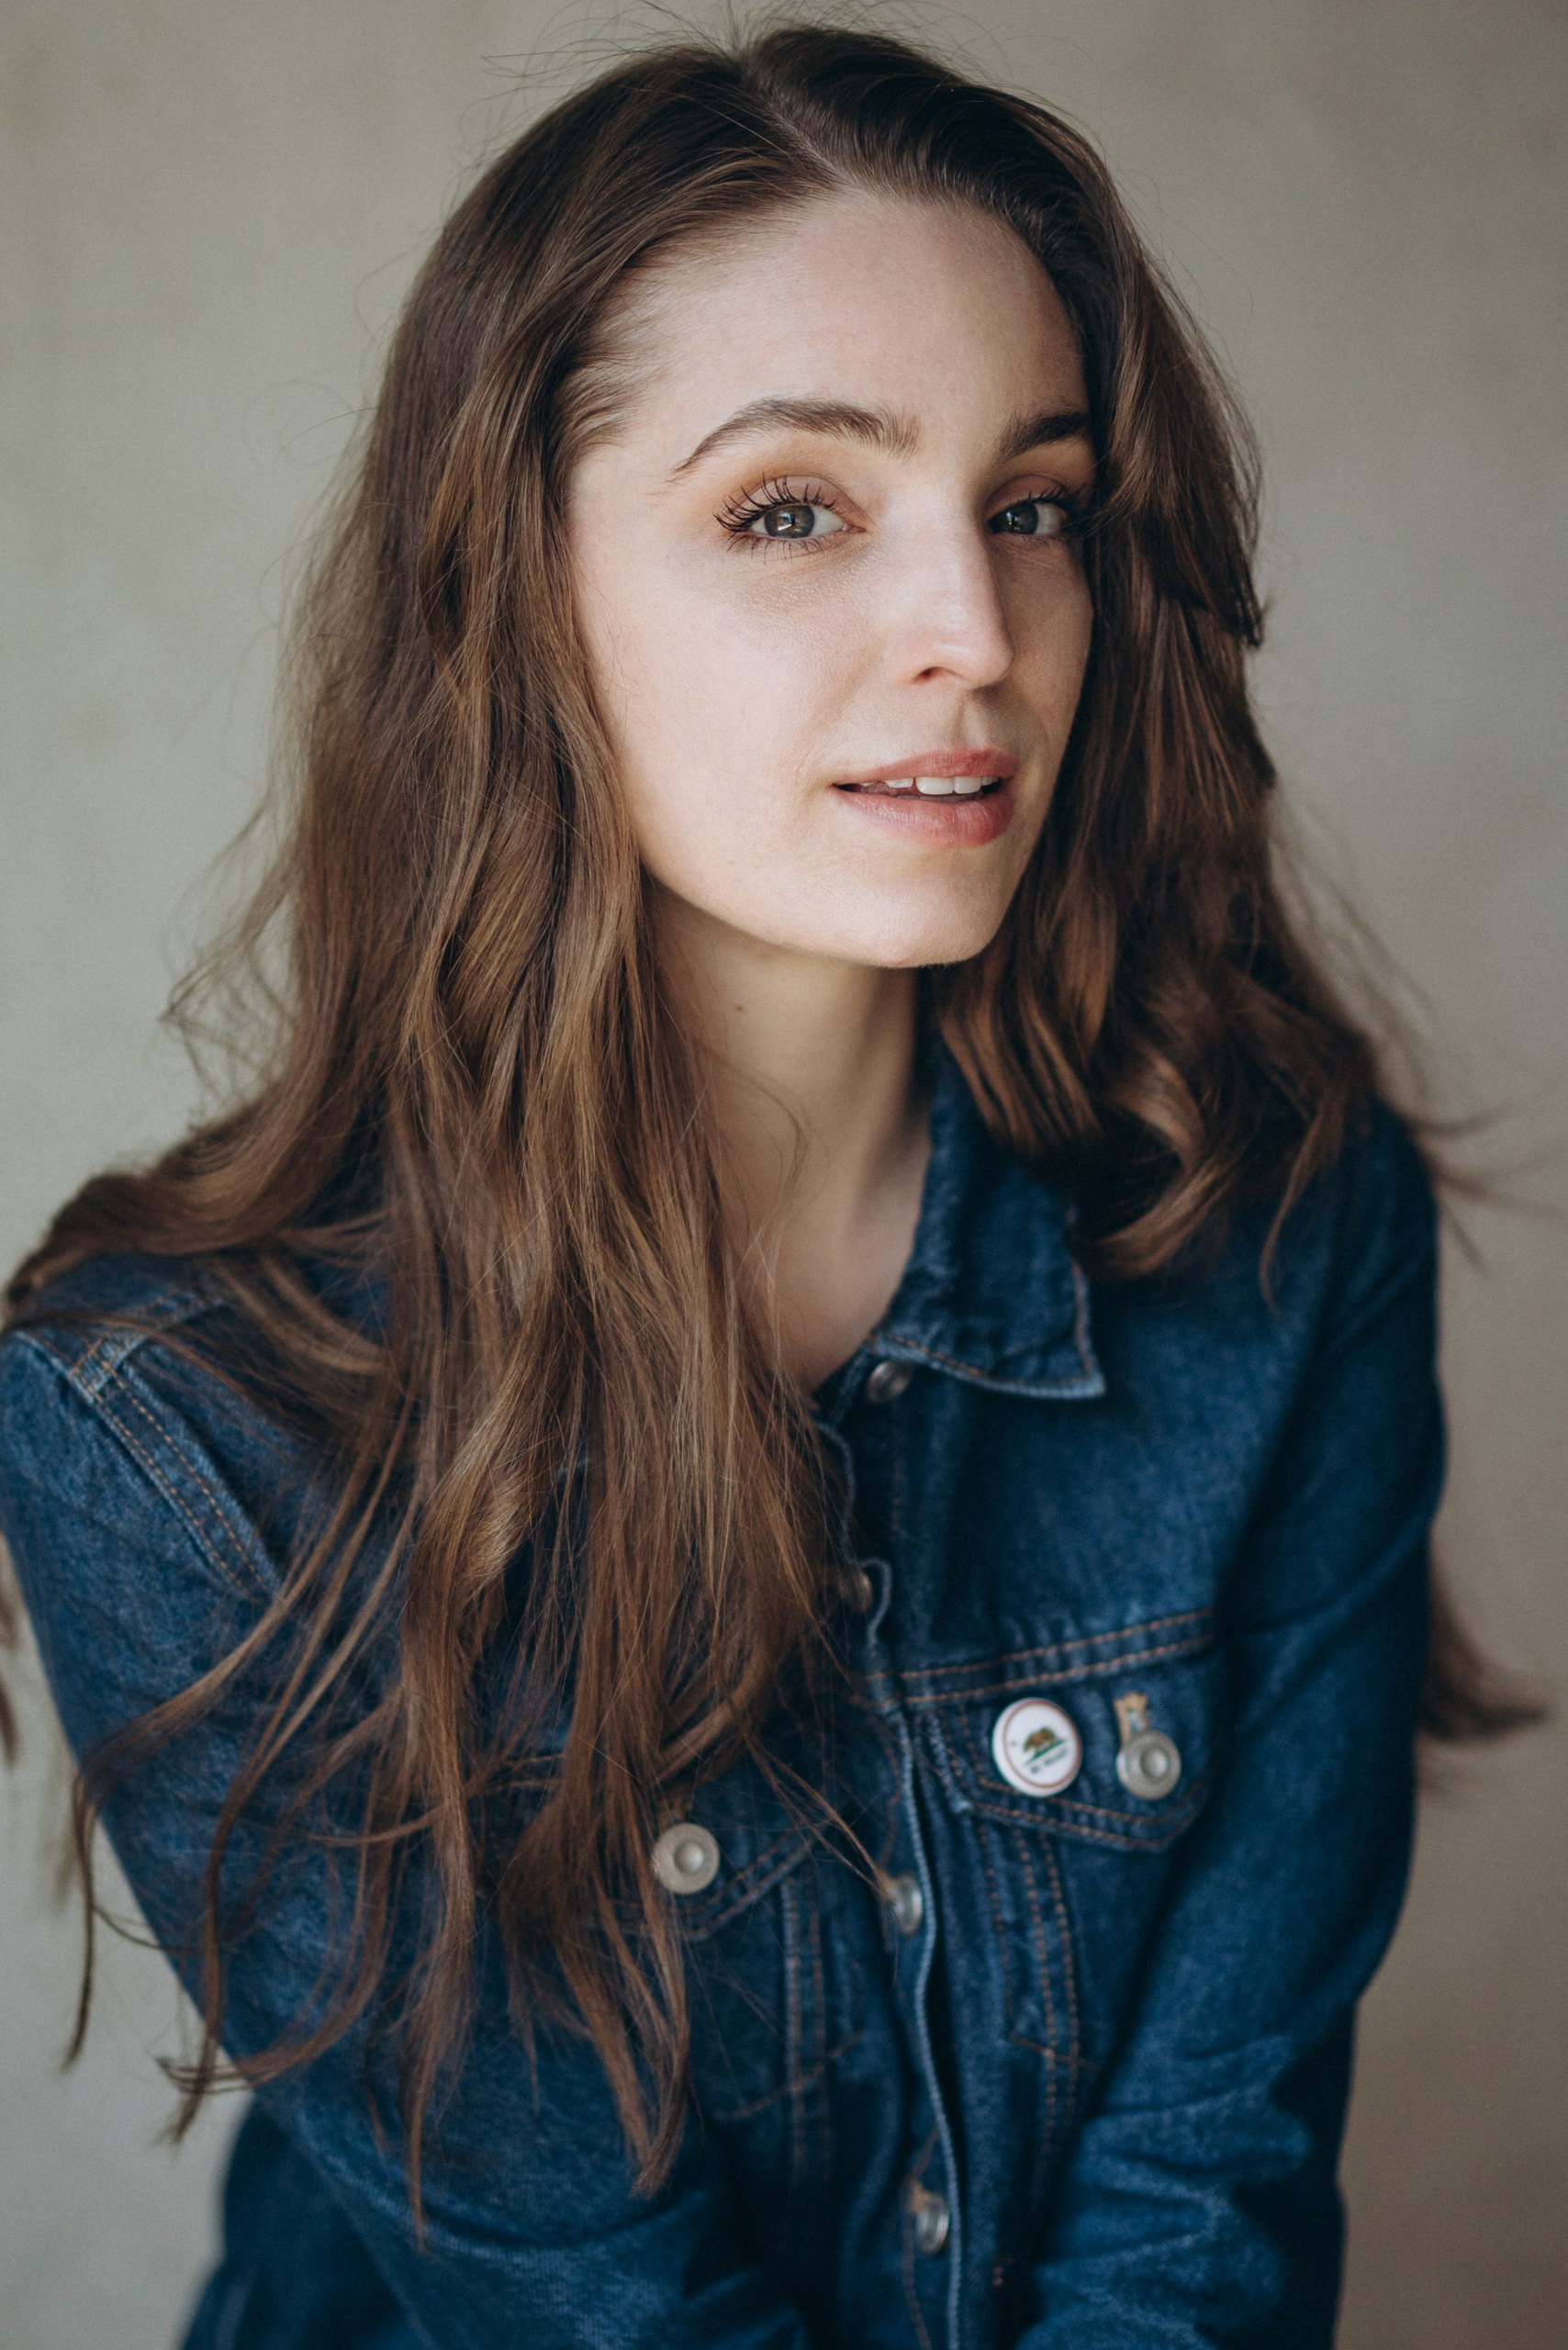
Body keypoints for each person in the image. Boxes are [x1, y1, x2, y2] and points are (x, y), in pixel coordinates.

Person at [0, 25, 1510, 2349]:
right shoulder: (165, 1421)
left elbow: (1198, 2201)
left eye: (1036, 504)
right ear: (516, 588)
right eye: (793, 507)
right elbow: (593, 2313)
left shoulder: (1274, 1239)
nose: (977, 640)